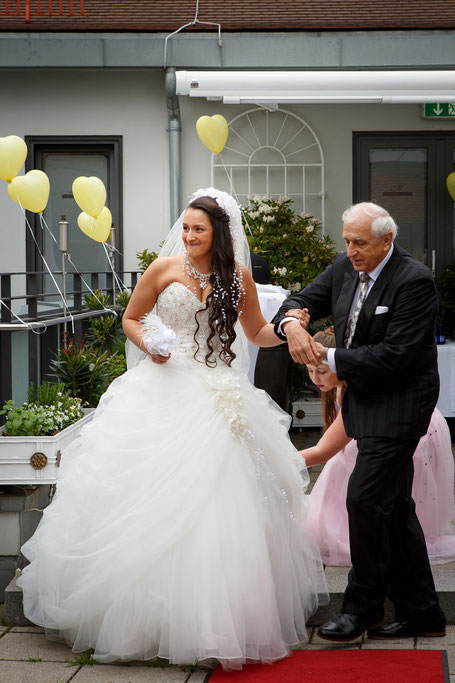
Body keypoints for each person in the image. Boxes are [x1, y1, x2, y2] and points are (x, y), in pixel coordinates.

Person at [17, 188, 327, 670]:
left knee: (222, 497)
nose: (188, 236)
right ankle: (136, 617)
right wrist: (151, 342)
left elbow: (255, 333)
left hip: (216, 389)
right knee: (144, 497)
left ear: (219, 233)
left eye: (198, 229)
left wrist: (287, 330)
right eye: (184, 228)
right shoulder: (164, 269)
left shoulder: (236, 277)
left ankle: (211, 619)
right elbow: (132, 318)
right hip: (162, 383)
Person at [274, 201, 446, 642]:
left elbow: (396, 356)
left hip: (402, 404)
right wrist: (293, 322)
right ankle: (423, 613)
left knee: (365, 500)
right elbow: (301, 299)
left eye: (360, 243)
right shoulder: (343, 267)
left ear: (387, 239)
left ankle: (362, 608)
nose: (351, 250)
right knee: (395, 510)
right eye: (347, 241)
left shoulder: (415, 280)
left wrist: (328, 358)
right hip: (363, 404)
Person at [303, 328, 455, 567]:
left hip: (414, 436)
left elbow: (323, 451)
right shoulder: (346, 382)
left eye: (321, 371)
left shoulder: (356, 390)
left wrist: (277, 459)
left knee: (341, 463)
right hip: (405, 425)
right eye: (309, 371)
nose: (315, 379)